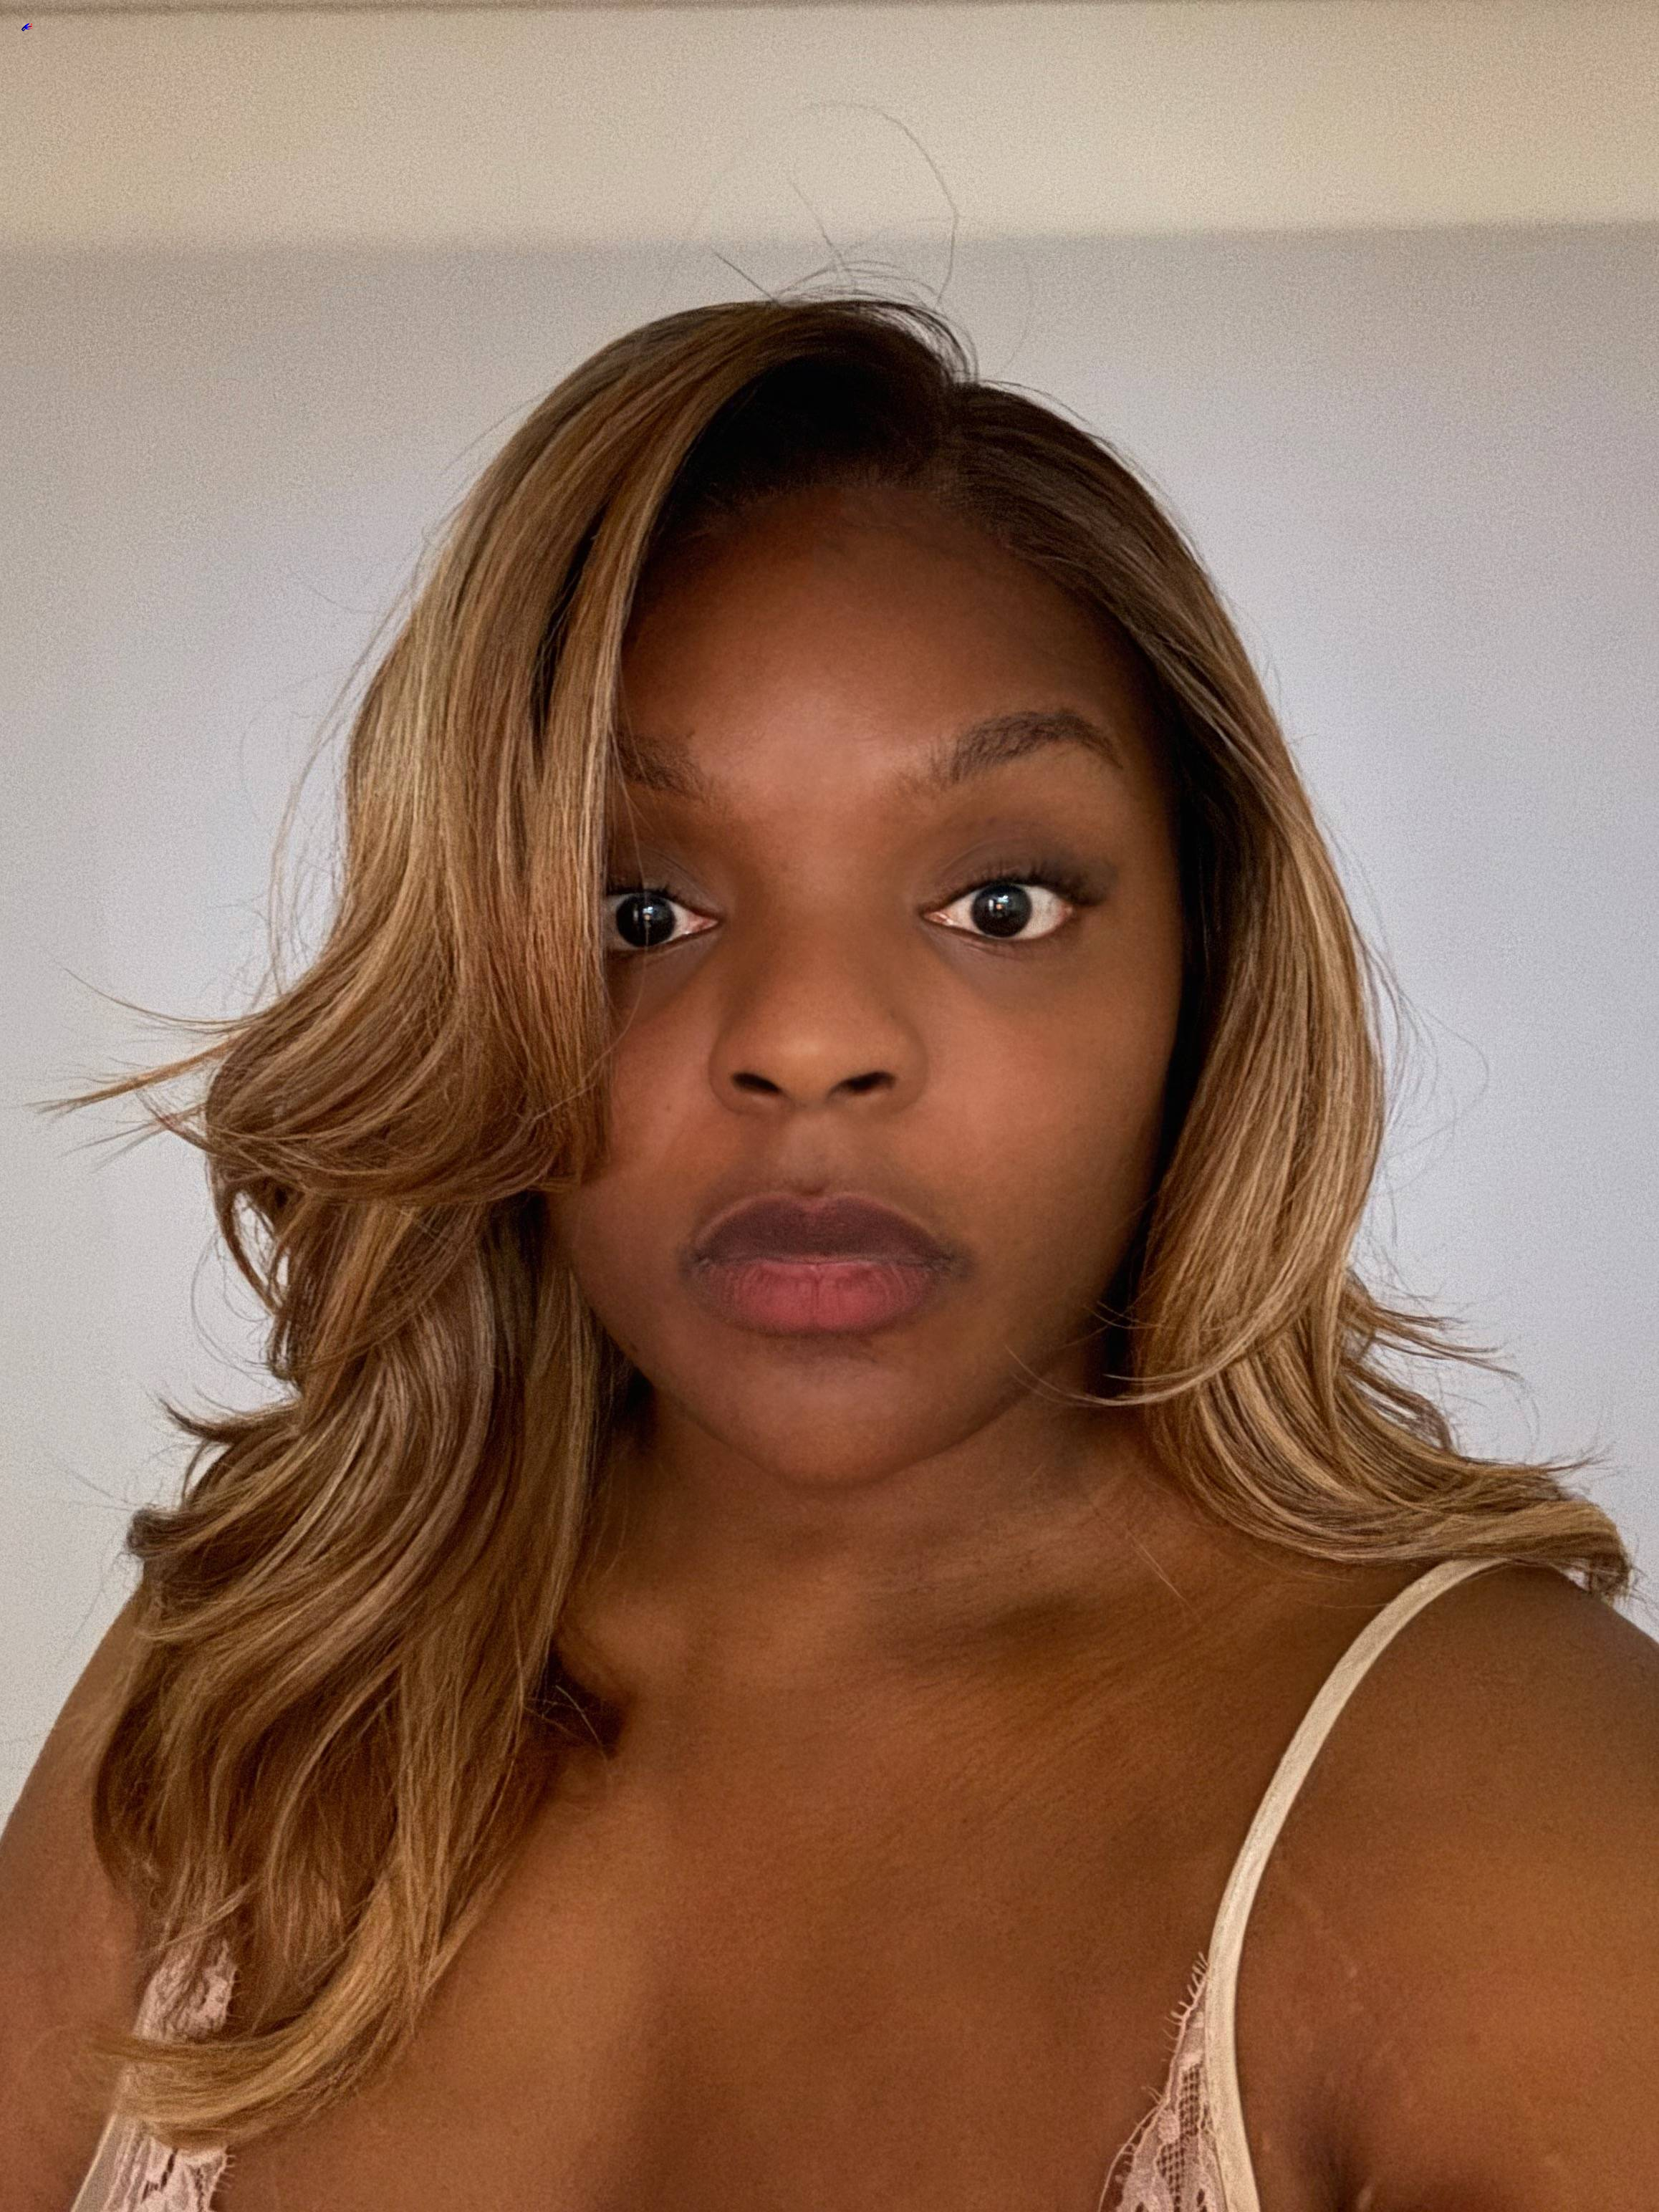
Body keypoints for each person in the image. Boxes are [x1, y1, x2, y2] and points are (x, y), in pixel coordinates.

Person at [2, 294, 1655, 2212]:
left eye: (999, 901)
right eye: (641, 906)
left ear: (1206, 962)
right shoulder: (255, 1680)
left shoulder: (1515, 1810)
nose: (804, 1040)